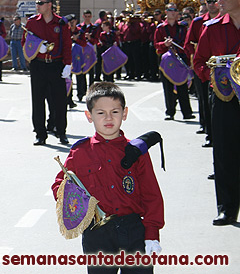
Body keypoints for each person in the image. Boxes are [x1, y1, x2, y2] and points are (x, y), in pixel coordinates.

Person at [52, 82, 165, 273]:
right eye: (100, 113)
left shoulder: (136, 152)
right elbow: (59, 186)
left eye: (115, 111)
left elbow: (151, 194)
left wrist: (152, 233)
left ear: (125, 113)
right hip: (97, 234)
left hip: (133, 229)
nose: (108, 118)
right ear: (89, 116)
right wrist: (79, 205)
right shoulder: (80, 152)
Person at [193, 0, 240, 226]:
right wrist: (213, 76)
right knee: (224, 153)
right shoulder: (211, 28)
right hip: (224, 98)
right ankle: (227, 208)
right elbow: (199, 60)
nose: (218, 1)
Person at [23, 0, 72, 145]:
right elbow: (25, 42)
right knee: (38, 100)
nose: (38, 5)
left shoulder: (61, 23)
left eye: (41, 3)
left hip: (56, 64)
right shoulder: (32, 22)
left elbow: (66, 44)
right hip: (38, 64)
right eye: (37, 2)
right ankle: (40, 134)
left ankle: (61, 131)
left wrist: (68, 64)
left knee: (59, 100)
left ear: (49, 5)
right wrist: (38, 48)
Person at [185, 0, 220, 147]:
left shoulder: (228, 19)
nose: (212, 4)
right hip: (203, 68)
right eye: (209, 1)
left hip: (222, 69)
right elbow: (188, 44)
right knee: (205, 100)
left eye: (215, 1)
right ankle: (209, 132)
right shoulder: (198, 22)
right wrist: (196, 58)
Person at [153, 3, 194, 121]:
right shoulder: (160, 28)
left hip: (180, 59)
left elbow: (186, 44)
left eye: (175, 10)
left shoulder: (182, 28)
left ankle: (187, 112)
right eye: (170, 10)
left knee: (182, 86)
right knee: (168, 86)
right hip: (166, 61)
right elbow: (156, 44)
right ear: (166, 12)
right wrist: (164, 44)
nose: (172, 12)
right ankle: (170, 112)